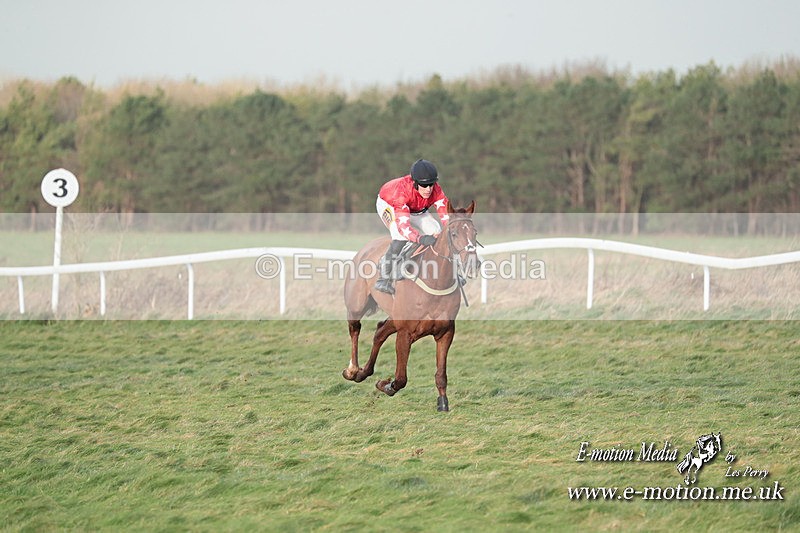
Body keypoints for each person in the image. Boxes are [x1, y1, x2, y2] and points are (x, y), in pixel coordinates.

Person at [374, 159, 450, 294]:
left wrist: (450, 231)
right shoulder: (402, 193)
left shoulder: (436, 190)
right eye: (424, 185)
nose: (429, 189)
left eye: (431, 184)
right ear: (415, 183)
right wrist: (420, 239)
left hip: (416, 208)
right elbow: (404, 227)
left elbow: (446, 218)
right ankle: (383, 278)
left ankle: (409, 261)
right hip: (390, 205)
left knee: (436, 230)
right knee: (399, 236)